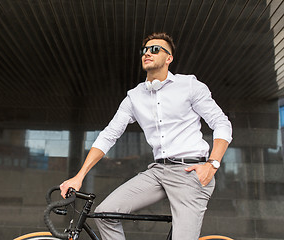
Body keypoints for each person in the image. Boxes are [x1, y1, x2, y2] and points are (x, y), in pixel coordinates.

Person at [60, 32, 232, 240]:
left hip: (190, 173)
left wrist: (212, 164)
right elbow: (109, 135)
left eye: (155, 49)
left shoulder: (189, 86)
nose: (147, 53)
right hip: (158, 171)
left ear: (169, 58)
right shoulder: (134, 97)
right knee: (106, 213)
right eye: (145, 50)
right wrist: (79, 177)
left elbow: (221, 123)